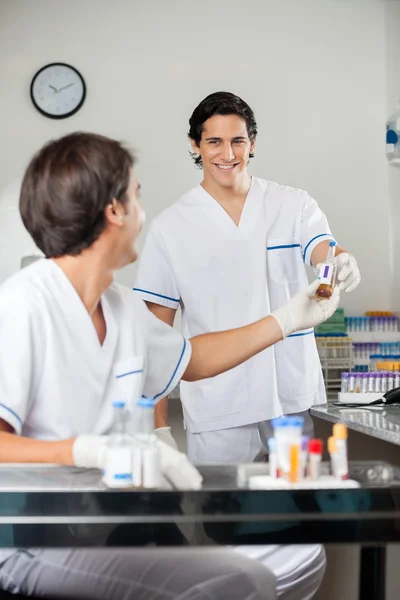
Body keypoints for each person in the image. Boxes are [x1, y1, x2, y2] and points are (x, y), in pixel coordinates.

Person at [0, 132, 339, 599]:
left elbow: (193, 358)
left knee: (298, 558)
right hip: (33, 540)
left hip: (107, 526)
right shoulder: (21, 307)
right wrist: (90, 452)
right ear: (115, 211)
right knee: (240, 581)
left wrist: (287, 319)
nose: (143, 213)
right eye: (136, 195)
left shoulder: (119, 309)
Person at [133, 91, 361, 599]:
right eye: (214, 141)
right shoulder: (171, 229)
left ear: (252, 143)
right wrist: (155, 429)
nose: (227, 153)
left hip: (290, 404)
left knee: (298, 535)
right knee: (229, 541)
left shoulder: (291, 204)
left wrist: (337, 260)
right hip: (220, 408)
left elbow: (320, 249)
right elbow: (154, 342)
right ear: (196, 145)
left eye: (237, 140)